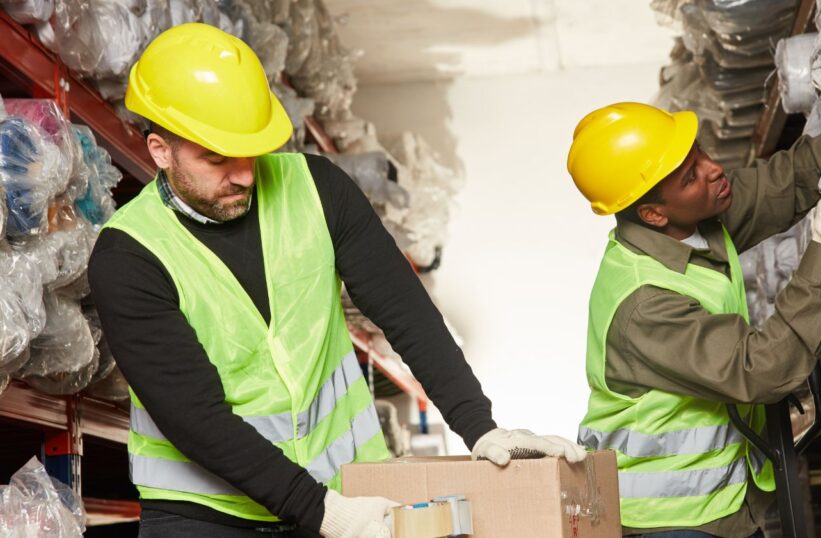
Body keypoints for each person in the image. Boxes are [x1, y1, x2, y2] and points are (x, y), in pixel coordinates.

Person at [88, 23, 585, 538]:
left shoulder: (317, 188)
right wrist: (321, 510)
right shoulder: (129, 254)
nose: (243, 174)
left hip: (340, 490)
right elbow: (192, 415)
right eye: (216, 159)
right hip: (207, 514)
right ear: (160, 150)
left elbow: (404, 310)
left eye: (249, 152)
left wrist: (479, 426)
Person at [567, 69, 821, 538]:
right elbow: (760, 370)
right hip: (671, 523)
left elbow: (782, 183)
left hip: (718, 507)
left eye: (697, 152)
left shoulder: (689, 221)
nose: (712, 169)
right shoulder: (644, 304)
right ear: (653, 212)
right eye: (689, 175)